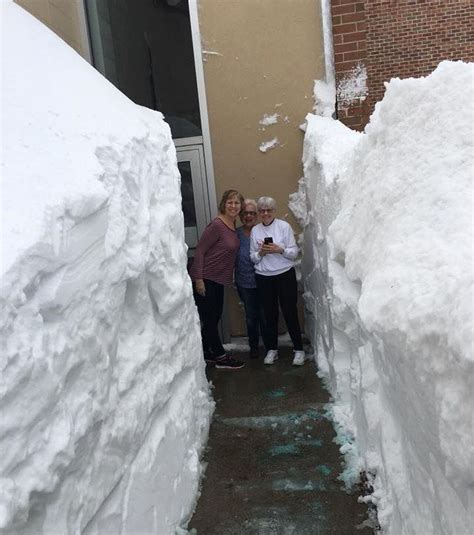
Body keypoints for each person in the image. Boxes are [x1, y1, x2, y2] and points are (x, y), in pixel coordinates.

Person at [190, 189, 245, 369]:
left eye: (237, 203)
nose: (233, 205)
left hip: (219, 280)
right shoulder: (217, 225)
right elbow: (200, 251)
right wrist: (198, 279)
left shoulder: (232, 226)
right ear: (224, 204)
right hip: (206, 278)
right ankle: (220, 356)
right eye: (230, 202)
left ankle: (207, 352)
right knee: (211, 318)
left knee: (214, 318)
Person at [250, 196, 306, 366]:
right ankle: (272, 349)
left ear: (274, 211)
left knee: (289, 311)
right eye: (262, 211)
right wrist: (261, 253)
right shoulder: (255, 231)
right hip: (264, 277)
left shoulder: (284, 227)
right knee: (269, 314)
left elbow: (294, 252)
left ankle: (298, 350)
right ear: (259, 213)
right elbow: (252, 258)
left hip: (284, 275)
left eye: (268, 210)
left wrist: (279, 249)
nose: (265, 213)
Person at [235, 199, 271, 358]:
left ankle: (270, 347)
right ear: (241, 215)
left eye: (252, 213)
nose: (248, 216)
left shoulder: (263, 231)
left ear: (256, 215)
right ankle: (254, 347)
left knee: (265, 314)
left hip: (264, 279)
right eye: (245, 213)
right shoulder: (235, 234)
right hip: (244, 282)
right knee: (251, 316)